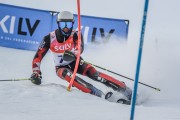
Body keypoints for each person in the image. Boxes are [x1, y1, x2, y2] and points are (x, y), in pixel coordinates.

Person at [30, 11, 132, 104]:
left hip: (76, 62)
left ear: (72, 24)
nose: (66, 27)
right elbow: (37, 57)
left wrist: (74, 54)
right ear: (58, 24)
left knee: (94, 74)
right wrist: (36, 73)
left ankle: (124, 89)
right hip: (61, 67)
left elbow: (80, 47)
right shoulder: (49, 38)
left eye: (68, 24)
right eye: (63, 24)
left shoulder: (76, 34)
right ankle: (99, 94)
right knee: (68, 75)